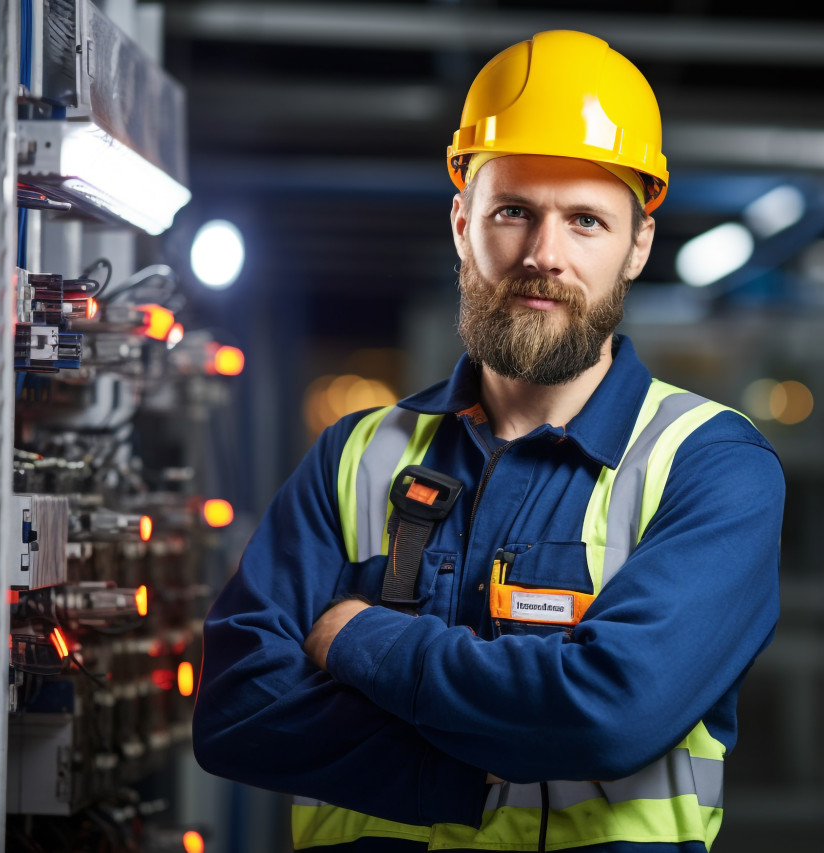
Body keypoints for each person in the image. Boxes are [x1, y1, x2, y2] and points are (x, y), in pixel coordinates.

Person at [193, 30, 784, 853]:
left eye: (586, 220)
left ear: (637, 245)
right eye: (514, 211)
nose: (545, 255)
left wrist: (355, 637)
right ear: (462, 220)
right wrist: (491, 759)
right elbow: (236, 711)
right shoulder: (354, 455)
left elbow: (607, 714)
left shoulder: (711, 467)